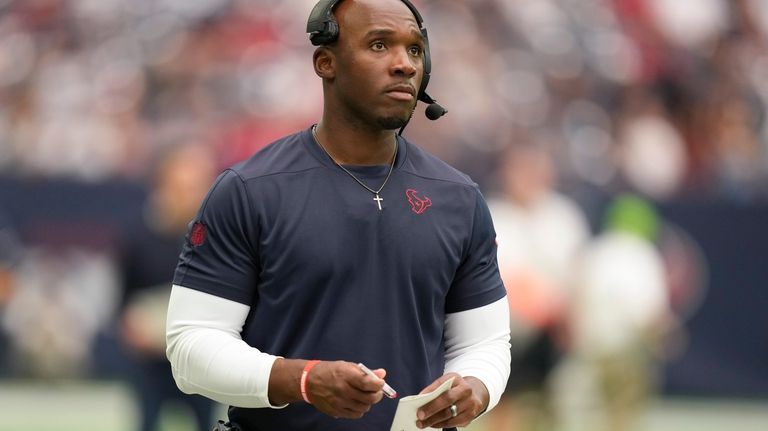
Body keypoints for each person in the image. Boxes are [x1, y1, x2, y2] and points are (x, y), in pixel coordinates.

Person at [165, 0, 511, 430]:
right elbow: (190, 348)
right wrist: (303, 380)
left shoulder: (459, 197)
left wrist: (475, 386)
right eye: (380, 45)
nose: (404, 64)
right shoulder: (249, 190)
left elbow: (486, 341)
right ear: (325, 62)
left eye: (416, 50)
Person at [485, 140, 590, 431]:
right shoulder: (491, 214)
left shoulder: (563, 217)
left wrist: (571, 321)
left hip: (553, 331)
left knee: (556, 405)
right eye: (520, 170)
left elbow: (576, 276)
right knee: (504, 403)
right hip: (507, 331)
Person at [118, 143, 218, 431]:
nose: (189, 194)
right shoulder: (137, 236)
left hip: (199, 358)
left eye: (196, 186)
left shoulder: (216, 236)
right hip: (151, 361)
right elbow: (123, 298)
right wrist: (132, 326)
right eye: (181, 186)